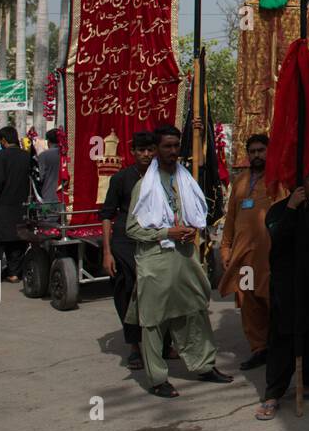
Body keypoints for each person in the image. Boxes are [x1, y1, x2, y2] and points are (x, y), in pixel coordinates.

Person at [125, 125, 233, 398]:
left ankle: (204, 365)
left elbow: (197, 214)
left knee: (195, 311)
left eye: (176, 146)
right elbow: (132, 229)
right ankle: (157, 378)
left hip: (185, 256)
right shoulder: (144, 186)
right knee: (153, 321)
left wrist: (187, 230)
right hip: (156, 260)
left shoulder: (186, 180)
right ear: (157, 150)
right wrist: (166, 232)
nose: (172, 152)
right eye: (166, 147)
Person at [255, 163, 309, 419]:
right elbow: (277, 242)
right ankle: (273, 392)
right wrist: (292, 209)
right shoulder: (278, 212)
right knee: (283, 337)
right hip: (286, 284)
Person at [219, 134, 285, 369]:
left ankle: (279, 349)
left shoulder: (278, 181)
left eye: (261, 150)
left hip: (269, 256)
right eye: (253, 151)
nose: (257, 155)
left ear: (269, 151)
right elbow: (231, 219)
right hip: (244, 257)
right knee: (248, 300)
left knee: (271, 300)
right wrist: (225, 248)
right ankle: (259, 348)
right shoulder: (240, 181)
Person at [99, 131, 157, 370]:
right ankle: (134, 345)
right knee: (128, 291)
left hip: (154, 240)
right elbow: (106, 216)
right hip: (125, 242)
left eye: (149, 150)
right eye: (141, 150)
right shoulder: (121, 179)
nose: (145, 154)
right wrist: (107, 252)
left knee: (158, 291)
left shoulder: (163, 177)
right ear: (133, 153)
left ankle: (162, 343)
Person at [0, 126, 32, 283]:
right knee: (17, 238)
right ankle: (14, 273)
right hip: (21, 203)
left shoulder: (1, 156)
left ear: (3, 140)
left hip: (3, 204)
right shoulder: (26, 156)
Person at [36, 129, 61, 206]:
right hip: (65, 194)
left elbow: (41, 177)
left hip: (49, 194)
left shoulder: (43, 155)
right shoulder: (67, 153)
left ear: (48, 141)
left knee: (49, 216)